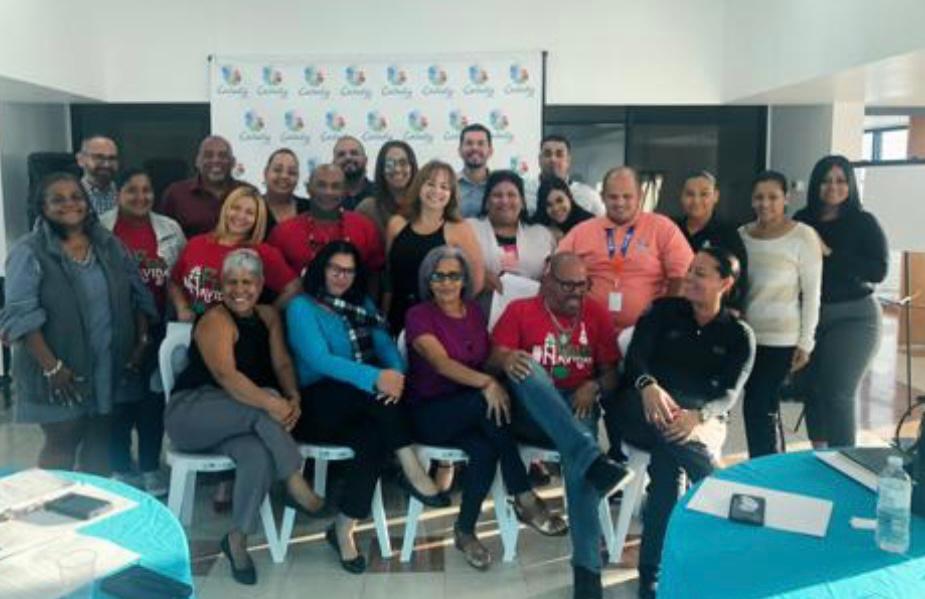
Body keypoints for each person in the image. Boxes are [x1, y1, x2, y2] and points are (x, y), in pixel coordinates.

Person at [164, 249, 325, 586]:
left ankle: (237, 539)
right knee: (262, 407)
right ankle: (296, 483)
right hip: (192, 413)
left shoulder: (268, 317)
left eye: (247, 282)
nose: (239, 290)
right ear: (221, 285)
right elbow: (226, 376)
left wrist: (292, 396)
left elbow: (281, 363)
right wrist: (274, 406)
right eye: (231, 282)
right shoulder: (216, 320)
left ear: (261, 284)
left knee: (257, 453)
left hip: (238, 418)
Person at [287, 241, 448, 574]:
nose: (341, 277)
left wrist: (396, 377)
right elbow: (320, 359)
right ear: (321, 269)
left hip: (361, 402)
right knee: (378, 400)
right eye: (335, 269)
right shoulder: (302, 306)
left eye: (349, 271)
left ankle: (343, 527)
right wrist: (376, 378)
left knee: (374, 436)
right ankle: (412, 469)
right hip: (318, 402)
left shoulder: (362, 304)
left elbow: (386, 346)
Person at [405, 245, 568, 571]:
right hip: (430, 413)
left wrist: (507, 361)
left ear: (464, 280)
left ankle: (465, 531)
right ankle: (523, 495)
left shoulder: (473, 312)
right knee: (488, 404)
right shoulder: (419, 315)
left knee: (486, 449)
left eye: (454, 276)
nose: (447, 283)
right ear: (428, 280)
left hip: (470, 411)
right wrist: (487, 384)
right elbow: (440, 363)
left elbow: (487, 354)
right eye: (438, 276)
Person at [607, 247, 756, 599]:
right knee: (668, 433)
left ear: (725, 283)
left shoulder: (739, 334)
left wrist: (698, 417)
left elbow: (729, 394)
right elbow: (636, 359)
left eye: (700, 273)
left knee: (667, 469)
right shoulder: (663, 311)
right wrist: (648, 386)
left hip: (698, 419)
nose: (689, 278)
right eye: (690, 270)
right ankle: (718, 482)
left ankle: (651, 577)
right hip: (640, 408)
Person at [489, 252, 631, 599]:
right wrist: (507, 357)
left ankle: (587, 575)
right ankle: (591, 457)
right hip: (531, 412)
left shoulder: (595, 313)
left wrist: (594, 385)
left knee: (579, 465)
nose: (576, 292)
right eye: (567, 285)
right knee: (526, 367)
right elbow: (491, 360)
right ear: (547, 282)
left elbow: (612, 374)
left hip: (577, 405)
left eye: (582, 285)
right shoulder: (520, 311)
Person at [0, 173, 157, 475]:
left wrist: (141, 343)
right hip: (58, 369)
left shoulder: (108, 244)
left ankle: (91, 504)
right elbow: (21, 316)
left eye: (76, 197)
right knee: (62, 442)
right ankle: (52, 505)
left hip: (108, 365)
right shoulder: (28, 251)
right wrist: (53, 368)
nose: (69, 204)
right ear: (42, 207)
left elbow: (138, 295)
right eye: (57, 200)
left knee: (100, 442)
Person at [100, 168, 185, 495]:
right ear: (118, 193)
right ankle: (121, 466)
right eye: (132, 190)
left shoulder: (170, 229)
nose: (140, 197)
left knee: (152, 400)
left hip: (158, 326)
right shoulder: (100, 228)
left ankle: (150, 466)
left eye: (146, 190)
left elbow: (180, 275)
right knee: (118, 400)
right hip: (114, 329)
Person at [794, 155, 888, 448]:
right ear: (816, 184)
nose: (833, 187)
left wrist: (830, 252)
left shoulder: (863, 221)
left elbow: (878, 271)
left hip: (855, 317)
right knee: (812, 390)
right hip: (809, 316)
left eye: (840, 180)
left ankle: (845, 459)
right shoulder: (801, 219)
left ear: (850, 185)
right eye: (826, 180)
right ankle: (820, 455)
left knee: (838, 393)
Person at [739, 170, 822, 457]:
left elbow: (812, 293)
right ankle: (769, 465)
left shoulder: (803, 236)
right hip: (747, 336)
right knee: (758, 406)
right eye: (759, 197)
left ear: (786, 199)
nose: (765, 204)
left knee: (760, 404)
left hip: (782, 339)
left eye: (773, 197)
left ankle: (766, 468)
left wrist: (806, 342)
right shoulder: (742, 235)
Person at [558, 166, 693, 335]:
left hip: (646, 332)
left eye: (627, 196)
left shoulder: (663, 227)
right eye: (613, 197)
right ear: (602, 197)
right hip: (588, 329)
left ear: (640, 196)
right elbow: (555, 270)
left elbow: (682, 276)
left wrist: (665, 317)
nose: (620, 203)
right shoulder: (581, 231)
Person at [169, 186, 301, 320]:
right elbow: (175, 282)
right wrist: (182, 307)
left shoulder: (263, 253)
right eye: (236, 208)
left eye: (250, 212)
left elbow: (293, 287)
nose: (241, 216)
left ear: (257, 219)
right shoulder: (196, 244)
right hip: (192, 324)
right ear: (225, 209)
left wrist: (266, 315)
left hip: (236, 328)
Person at [385, 160, 485, 333]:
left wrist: (451, 308)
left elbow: (476, 281)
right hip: (398, 315)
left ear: (451, 194)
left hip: (440, 322)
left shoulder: (460, 229)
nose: (436, 191)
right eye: (430, 184)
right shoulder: (396, 224)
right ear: (419, 187)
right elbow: (388, 276)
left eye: (444, 187)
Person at [268, 164, 384, 276]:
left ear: (345, 192)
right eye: (321, 185)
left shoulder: (365, 228)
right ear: (308, 188)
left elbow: (377, 274)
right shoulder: (282, 233)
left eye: (336, 186)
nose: (328, 192)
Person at [468, 170, 556, 292]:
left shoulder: (542, 235)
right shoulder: (469, 229)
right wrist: (479, 275)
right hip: (479, 302)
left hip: (531, 301)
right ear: (487, 203)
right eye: (497, 195)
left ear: (523, 203)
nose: (504, 201)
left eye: (511, 195)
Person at [675, 170, 748, 310]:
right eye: (690, 194)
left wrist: (733, 309)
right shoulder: (672, 229)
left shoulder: (728, 233)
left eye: (704, 194)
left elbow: (739, 278)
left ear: (716, 196)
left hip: (714, 311)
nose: (696, 201)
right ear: (681, 197)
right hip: (676, 308)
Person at [160, 135, 247, 237]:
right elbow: (165, 236)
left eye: (223, 156)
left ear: (233, 162)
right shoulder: (176, 194)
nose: (216, 161)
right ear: (197, 161)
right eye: (208, 156)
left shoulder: (247, 192)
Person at [524, 134, 604, 216]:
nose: (553, 159)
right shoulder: (524, 192)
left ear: (568, 160)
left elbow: (603, 222)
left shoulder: (588, 196)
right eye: (547, 154)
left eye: (559, 155)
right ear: (539, 159)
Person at [355, 140, 418, 237]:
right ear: (381, 169)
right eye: (390, 164)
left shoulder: (425, 205)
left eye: (403, 163)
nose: (397, 169)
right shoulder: (367, 209)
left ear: (412, 167)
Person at [263, 148, 310, 236]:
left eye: (291, 172)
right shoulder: (253, 208)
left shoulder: (310, 208)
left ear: (298, 177)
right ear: (265, 173)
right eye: (277, 170)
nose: (284, 176)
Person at [533, 176, 595, 242]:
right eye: (549, 205)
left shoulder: (590, 224)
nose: (555, 208)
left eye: (559, 201)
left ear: (569, 197)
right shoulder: (544, 223)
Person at [76, 135, 119, 214]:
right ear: (81, 160)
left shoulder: (125, 195)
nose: (106, 164)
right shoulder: (71, 197)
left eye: (112, 158)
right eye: (99, 157)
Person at [457, 124, 493, 218]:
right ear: (460, 150)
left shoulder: (500, 185)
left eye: (481, 143)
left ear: (490, 151)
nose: (475, 148)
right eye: (469, 143)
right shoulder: (448, 185)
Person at [332, 136, 375, 210]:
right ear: (334, 163)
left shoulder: (380, 194)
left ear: (365, 160)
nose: (348, 157)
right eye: (341, 154)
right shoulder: (327, 197)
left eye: (354, 153)